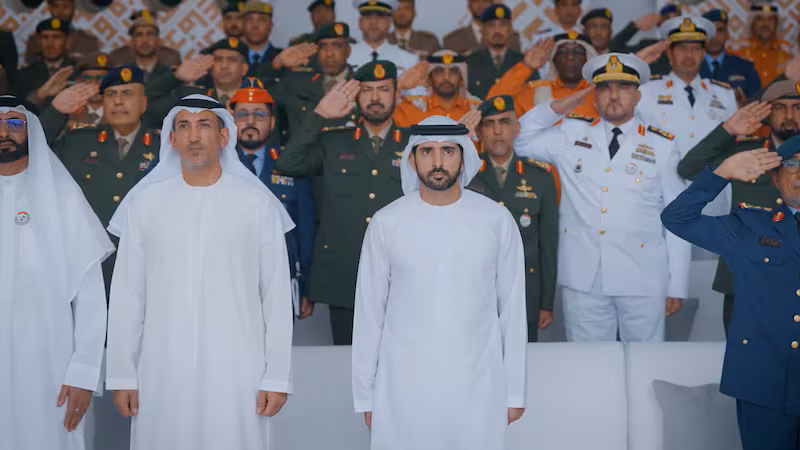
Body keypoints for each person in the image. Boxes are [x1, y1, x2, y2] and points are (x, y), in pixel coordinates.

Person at [106, 94, 295, 450]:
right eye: (184, 127)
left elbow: (276, 297)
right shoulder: (145, 204)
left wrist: (277, 376)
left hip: (238, 369)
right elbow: (128, 295)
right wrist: (121, 374)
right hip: (161, 368)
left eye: (204, 125)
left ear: (224, 136)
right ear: (172, 138)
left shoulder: (257, 204)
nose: (194, 136)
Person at [352, 115, 527, 449]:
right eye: (427, 151)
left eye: (448, 151)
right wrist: (365, 395)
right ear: (412, 159)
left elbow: (512, 311)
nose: (437, 161)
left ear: (463, 157)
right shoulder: (387, 222)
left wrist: (515, 392)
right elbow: (369, 314)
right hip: (401, 387)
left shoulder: (496, 220)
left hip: (478, 384)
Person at [513, 53, 691, 342]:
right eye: (605, 88)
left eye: (623, 87)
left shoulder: (661, 145)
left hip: (643, 276)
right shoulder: (571, 133)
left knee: (646, 361)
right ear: (594, 98)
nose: (614, 95)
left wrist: (677, 285)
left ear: (637, 96)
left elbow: (678, 217)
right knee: (589, 362)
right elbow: (519, 139)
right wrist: (561, 106)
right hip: (584, 277)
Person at [661, 134, 800, 450]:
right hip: (764, 386)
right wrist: (721, 173)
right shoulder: (749, 227)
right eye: (792, 164)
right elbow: (677, 218)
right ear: (775, 179)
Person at [0, 95, 113, 450]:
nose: (4, 133)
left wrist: (84, 374)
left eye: (15, 124)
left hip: (49, 364)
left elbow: (90, 296)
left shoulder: (61, 196)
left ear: (31, 131)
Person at [275, 61, 408, 345]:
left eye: (384, 89)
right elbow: (287, 164)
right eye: (367, 90)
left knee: (400, 360)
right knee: (349, 359)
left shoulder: (413, 145)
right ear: (356, 96)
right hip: (346, 273)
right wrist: (320, 114)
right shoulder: (333, 141)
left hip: (400, 274)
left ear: (397, 95)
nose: (375, 97)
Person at [677, 80, 800, 335]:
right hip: (746, 278)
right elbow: (688, 168)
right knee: (743, 356)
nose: (790, 115)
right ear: (767, 113)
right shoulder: (745, 150)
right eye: (780, 107)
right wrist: (728, 129)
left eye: (797, 107)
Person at [45, 67, 159, 295]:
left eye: (127, 94)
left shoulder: (163, 147)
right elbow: (33, 154)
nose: (118, 101)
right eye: (111, 94)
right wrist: (55, 112)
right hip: (89, 264)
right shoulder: (78, 142)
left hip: (145, 263)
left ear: (144, 103)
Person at [468, 95, 558, 342]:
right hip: (475, 292)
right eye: (489, 124)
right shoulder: (466, 175)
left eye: (505, 122)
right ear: (478, 132)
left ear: (516, 128)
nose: (497, 131)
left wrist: (546, 303)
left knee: (523, 359)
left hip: (525, 292)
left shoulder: (540, 176)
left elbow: (548, 245)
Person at [231, 77, 316, 320]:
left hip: (279, 282)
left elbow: (306, 233)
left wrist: (307, 286)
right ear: (231, 121)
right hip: (227, 282)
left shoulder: (290, 165)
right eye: (242, 114)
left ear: (272, 122)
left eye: (259, 114)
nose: (250, 122)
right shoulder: (218, 165)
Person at [638, 15, 737, 216]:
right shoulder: (647, 91)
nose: (689, 55)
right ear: (669, 53)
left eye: (696, 49)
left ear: (703, 53)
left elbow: (732, 146)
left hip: (712, 197)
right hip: (661, 195)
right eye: (682, 48)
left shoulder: (724, 95)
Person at [269, 22, 357, 136]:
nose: (329, 53)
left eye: (337, 46)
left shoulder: (362, 85)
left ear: (348, 51)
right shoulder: (298, 83)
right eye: (323, 46)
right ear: (316, 52)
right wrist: (277, 64)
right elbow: (259, 94)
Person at [488, 31, 597, 117]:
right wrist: (526, 67)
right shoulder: (535, 92)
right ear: (553, 59)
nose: (570, 57)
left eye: (577, 52)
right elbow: (493, 104)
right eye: (562, 52)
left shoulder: (599, 93)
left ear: (588, 58)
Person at [147, 37, 249, 111]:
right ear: (210, 66)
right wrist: (175, 78)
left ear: (244, 68)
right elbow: (145, 102)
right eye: (218, 59)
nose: (224, 66)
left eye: (232, 60)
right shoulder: (192, 97)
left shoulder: (255, 99)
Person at [466, 4, 529, 100]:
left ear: (511, 29)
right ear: (483, 30)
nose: (497, 30)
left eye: (503, 24)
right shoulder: (470, 62)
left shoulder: (524, 62)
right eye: (491, 25)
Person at [700, 9, 761, 107]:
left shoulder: (745, 67)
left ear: (727, 35)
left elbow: (757, 102)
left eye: (719, 30)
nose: (714, 37)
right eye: (709, 32)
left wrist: (746, 104)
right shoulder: (690, 67)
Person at [400, 50, 482, 121]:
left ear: (462, 80)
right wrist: (399, 85)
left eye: (453, 71)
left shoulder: (477, 110)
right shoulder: (411, 109)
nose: (446, 77)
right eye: (439, 71)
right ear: (429, 79)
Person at [15, 18, 77, 109]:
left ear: (67, 41)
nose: (50, 44)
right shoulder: (23, 75)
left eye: (56, 37)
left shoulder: (79, 72)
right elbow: (17, 109)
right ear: (38, 40)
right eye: (45, 37)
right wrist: (38, 95)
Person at [109, 10, 182, 83]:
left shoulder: (169, 68)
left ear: (159, 41)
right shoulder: (123, 69)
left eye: (150, 34)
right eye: (139, 34)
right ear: (131, 42)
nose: (144, 40)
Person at [347, 0, 419, 74]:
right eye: (368, 16)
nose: (373, 22)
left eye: (380, 16)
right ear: (360, 22)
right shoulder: (345, 56)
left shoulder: (408, 59)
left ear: (389, 22)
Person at [609, 4, 681, 76]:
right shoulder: (648, 46)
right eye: (667, 17)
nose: (671, 22)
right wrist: (634, 26)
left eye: (676, 18)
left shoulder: (687, 49)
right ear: (659, 22)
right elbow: (615, 50)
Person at [731, 3, 791, 87]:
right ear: (752, 23)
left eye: (770, 19)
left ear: (776, 23)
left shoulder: (788, 53)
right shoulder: (737, 52)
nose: (765, 24)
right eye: (759, 19)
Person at [25, 0, 99, 65]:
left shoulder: (88, 41)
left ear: (73, 7)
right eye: (56, 6)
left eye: (66, 6)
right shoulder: (35, 40)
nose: (60, 11)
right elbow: (29, 71)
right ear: (50, 7)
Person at [443, 0, 521, 55]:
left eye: (485, 1)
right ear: (469, 5)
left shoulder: (511, 38)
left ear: (492, 4)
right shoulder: (452, 41)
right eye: (475, 1)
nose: (481, 5)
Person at [241, 0, 282, 77]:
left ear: (270, 25)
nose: (255, 25)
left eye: (262, 20)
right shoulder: (231, 58)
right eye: (249, 19)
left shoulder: (283, 58)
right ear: (242, 24)